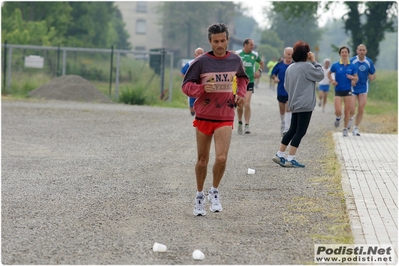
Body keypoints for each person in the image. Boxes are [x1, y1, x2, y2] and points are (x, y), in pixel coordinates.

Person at [181, 23, 249, 216]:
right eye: (216, 41)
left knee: (221, 157)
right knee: (202, 160)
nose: (220, 45)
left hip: (225, 114)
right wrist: (201, 89)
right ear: (210, 41)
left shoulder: (235, 60)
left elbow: (243, 78)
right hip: (203, 114)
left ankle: (215, 192)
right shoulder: (200, 62)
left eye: (223, 40)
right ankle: (199, 196)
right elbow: (185, 86)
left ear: (227, 39)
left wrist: (240, 93)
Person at [272, 41, 324, 168]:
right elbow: (320, 75)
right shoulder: (307, 67)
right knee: (300, 131)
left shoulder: (291, 67)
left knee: (292, 129)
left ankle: (280, 154)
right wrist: (314, 61)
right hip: (305, 104)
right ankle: (291, 158)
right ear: (306, 54)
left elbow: (286, 86)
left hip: (294, 103)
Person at [328, 46, 358, 137]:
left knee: (347, 111)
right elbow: (329, 73)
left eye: (346, 52)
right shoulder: (335, 65)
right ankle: (338, 117)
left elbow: (356, 78)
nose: (344, 54)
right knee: (338, 110)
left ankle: (345, 129)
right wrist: (332, 81)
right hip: (338, 90)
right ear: (340, 54)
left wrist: (352, 78)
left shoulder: (352, 66)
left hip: (348, 90)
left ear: (348, 54)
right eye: (342, 52)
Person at [235, 38, 264, 135]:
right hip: (239, 82)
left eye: (253, 45)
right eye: (251, 45)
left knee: (247, 103)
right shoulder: (238, 53)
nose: (253, 46)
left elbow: (261, 63)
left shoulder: (255, 55)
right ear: (245, 45)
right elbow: (230, 61)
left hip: (250, 81)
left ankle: (247, 125)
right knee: (240, 104)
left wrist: (259, 71)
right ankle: (239, 122)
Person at [348, 44, 376, 136]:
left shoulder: (368, 62)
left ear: (366, 51)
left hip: (363, 87)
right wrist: (351, 79)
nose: (362, 52)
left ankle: (356, 128)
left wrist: (372, 77)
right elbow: (346, 73)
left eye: (363, 50)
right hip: (353, 87)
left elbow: (373, 74)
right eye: (360, 50)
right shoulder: (352, 61)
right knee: (351, 108)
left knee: (361, 107)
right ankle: (350, 118)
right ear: (357, 51)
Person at [271, 47, 293, 136]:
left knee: (289, 108)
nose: (290, 56)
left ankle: (287, 128)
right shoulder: (279, 65)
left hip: (290, 91)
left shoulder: (294, 65)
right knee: (282, 109)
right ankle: (283, 123)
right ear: (284, 55)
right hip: (281, 90)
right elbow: (273, 74)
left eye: (291, 54)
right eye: (288, 54)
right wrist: (275, 78)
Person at [181, 47, 205, 116]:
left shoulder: (207, 63)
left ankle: (200, 113)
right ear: (195, 55)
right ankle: (192, 110)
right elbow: (183, 73)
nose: (200, 54)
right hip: (193, 86)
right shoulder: (190, 63)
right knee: (192, 102)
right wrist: (187, 82)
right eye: (198, 53)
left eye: (201, 53)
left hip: (203, 86)